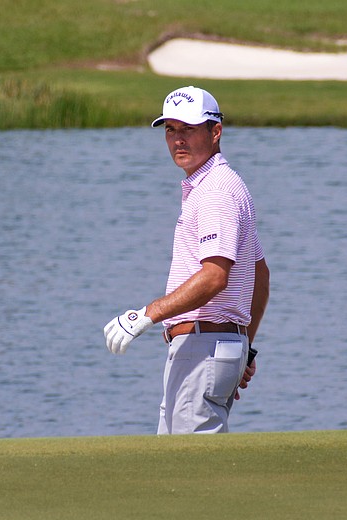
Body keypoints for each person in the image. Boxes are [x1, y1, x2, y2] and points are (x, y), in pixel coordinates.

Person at [104, 86, 270, 434]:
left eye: (189, 129)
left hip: (204, 348)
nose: (178, 140)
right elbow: (260, 275)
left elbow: (214, 277)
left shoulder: (215, 193)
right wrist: (244, 345)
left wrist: (145, 316)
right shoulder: (220, 185)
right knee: (177, 465)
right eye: (171, 130)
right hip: (211, 346)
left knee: (193, 472)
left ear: (215, 132)